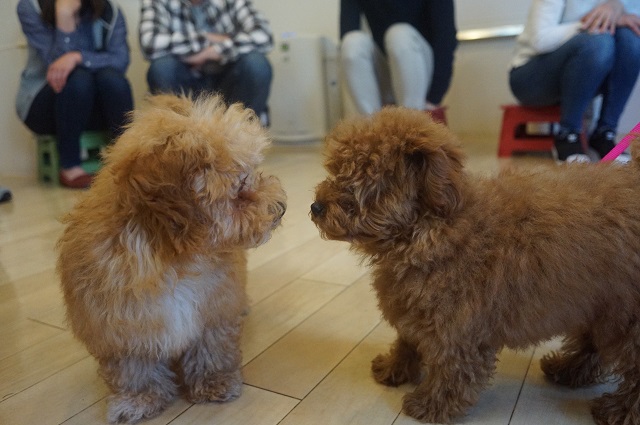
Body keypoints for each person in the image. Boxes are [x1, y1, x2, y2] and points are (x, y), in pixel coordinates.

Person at [16, 0, 133, 189]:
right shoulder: (30, 6)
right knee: (79, 78)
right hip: (44, 106)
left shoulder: (111, 11)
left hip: (96, 106)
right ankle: (69, 165)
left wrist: (78, 57)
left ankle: (128, 161)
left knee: (112, 78)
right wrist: (64, 17)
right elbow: (56, 66)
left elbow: (121, 60)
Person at [509, 0, 640, 163]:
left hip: (583, 77)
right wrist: (592, 22)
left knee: (632, 39)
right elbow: (539, 40)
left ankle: (605, 133)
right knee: (599, 42)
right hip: (530, 77)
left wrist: (616, 7)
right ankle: (567, 134)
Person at [139, 0, 274, 123]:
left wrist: (212, 52)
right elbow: (150, 44)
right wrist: (212, 38)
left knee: (256, 64)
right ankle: (176, 138)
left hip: (230, 83)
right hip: (185, 83)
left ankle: (243, 134)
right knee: (162, 67)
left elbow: (264, 37)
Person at [339, 0, 458, 121]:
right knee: (352, 42)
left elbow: (445, 37)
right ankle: (371, 126)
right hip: (387, 68)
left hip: (420, 70)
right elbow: (348, 30)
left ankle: (412, 123)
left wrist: (434, 97)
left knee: (399, 35)